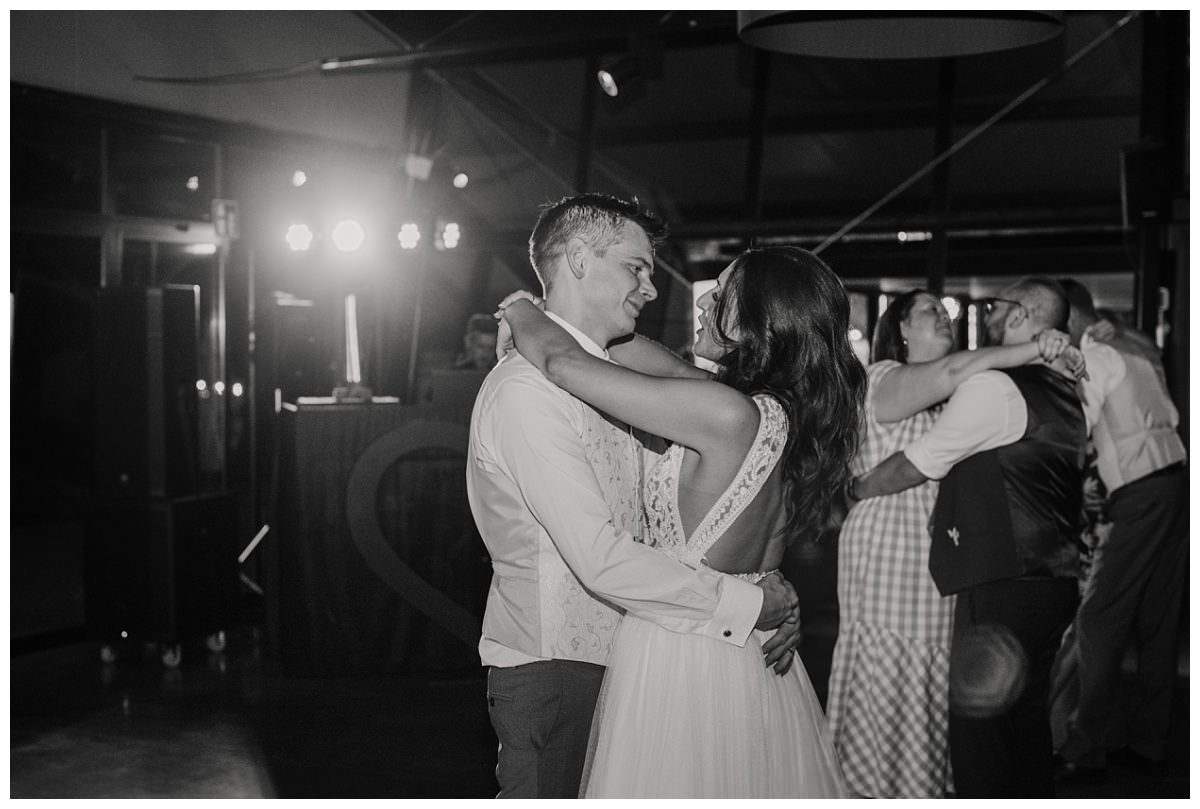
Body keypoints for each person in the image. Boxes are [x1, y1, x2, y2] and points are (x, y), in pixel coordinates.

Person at [466, 194, 802, 799]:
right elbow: (598, 554)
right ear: (575, 260)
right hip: (558, 669)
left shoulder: (620, 385)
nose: (651, 288)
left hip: (641, 662)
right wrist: (747, 601)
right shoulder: (526, 390)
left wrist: (525, 311)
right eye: (636, 267)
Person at [827, 289, 1078, 797]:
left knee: (934, 673)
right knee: (898, 669)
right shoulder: (883, 377)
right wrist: (1036, 347)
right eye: (928, 312)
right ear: (899, 329)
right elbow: (946, 376)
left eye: (945, 313)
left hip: (939, 548)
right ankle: (881, 788)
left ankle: (924, 788)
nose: (943, 318)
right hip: (891, 539)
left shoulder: (958, 392)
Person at [1052, 279, 1188, 782]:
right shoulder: (1134, 343)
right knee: (1157, 619)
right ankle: (1151, 742)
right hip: (1176, 482)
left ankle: (1087, 744)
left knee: (1099, 619)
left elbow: (1073, 425)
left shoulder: (1096, 354)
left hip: (1140, 492)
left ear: (1071, 321)